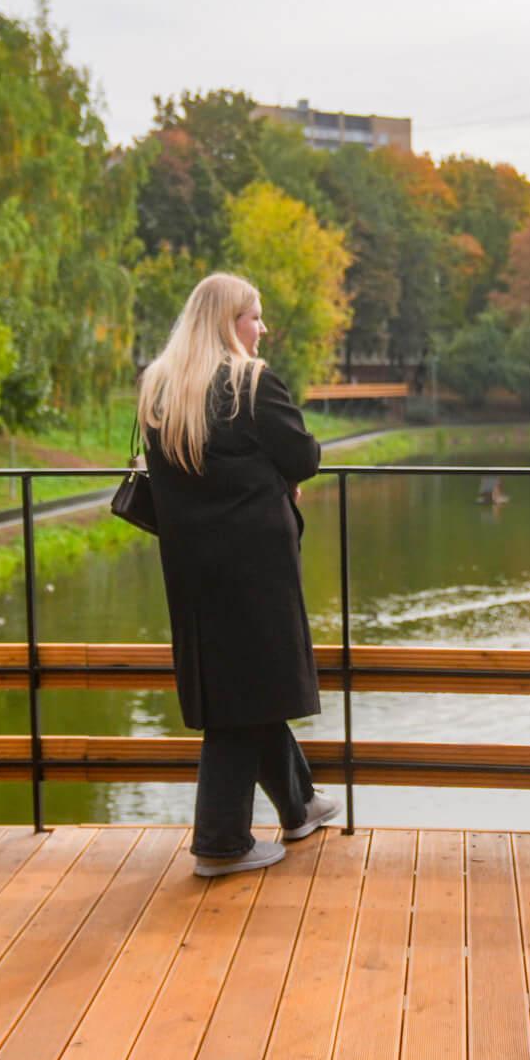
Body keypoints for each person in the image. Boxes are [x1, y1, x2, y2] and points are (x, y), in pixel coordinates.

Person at [138, 272, 339, 878]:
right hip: (256, 562)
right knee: (245, 691)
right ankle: (220, 842)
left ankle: (299, 805)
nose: (262, 328)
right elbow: (303, 455)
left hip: (193, 565)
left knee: (242, 681)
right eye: (255, 316)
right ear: (231, 322)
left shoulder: (159, 388)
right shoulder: (251, 382)